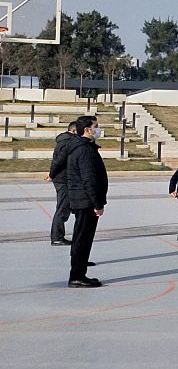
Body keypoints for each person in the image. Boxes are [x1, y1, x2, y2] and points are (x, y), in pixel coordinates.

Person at [63, 116, 107, 288]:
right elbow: (89, 179)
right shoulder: (84, 150)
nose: (98, 129)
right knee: (83, 239)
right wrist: (97, 204)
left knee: (81, 237)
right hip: (85, 201)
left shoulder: (81, 147)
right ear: (88, 130)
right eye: (96, 126)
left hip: (82, 199)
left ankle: (79, 271)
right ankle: (77, 276)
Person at [46, 120, 79, 246]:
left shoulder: (65, 140)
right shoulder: (67, 142)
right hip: (63, 179)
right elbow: (58, 161)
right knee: (63, 208)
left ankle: (58, 236)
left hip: (64, 178)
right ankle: (57, 237)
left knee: (65, 207)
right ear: (74, 131)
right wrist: (51, 174)